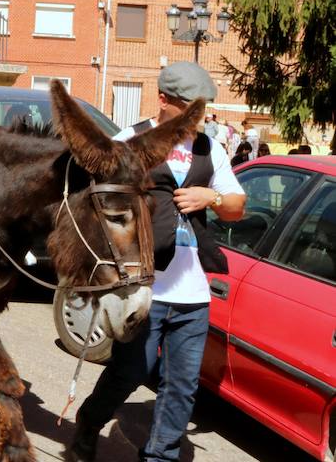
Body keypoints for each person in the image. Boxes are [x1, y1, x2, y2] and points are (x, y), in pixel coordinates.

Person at [67, 61, 246, 462]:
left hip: (193, 292)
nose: (197, 118)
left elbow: (237, 205)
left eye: (202, 109)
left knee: (181, 386)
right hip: (144, 285)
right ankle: (90, 421)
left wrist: (210, 198)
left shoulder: (208, 148)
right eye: (189, 108)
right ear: (163, 100)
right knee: (130, 372)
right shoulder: (130, 141)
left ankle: (159, 456)